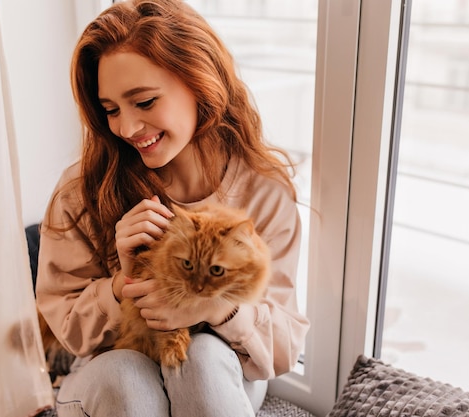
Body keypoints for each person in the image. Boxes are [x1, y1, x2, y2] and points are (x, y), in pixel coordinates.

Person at [35, 0, 310, 416]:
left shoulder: (263, 193)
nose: (126, 128)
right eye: (110, 110)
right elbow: (66, 327)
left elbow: (284, 346)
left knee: (202, 360)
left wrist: (220, 307)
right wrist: (120, 285)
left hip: (219, 371)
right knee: (126, 377)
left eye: (144, 102)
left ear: (199, 80)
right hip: (109, 373)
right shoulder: (81, 191)